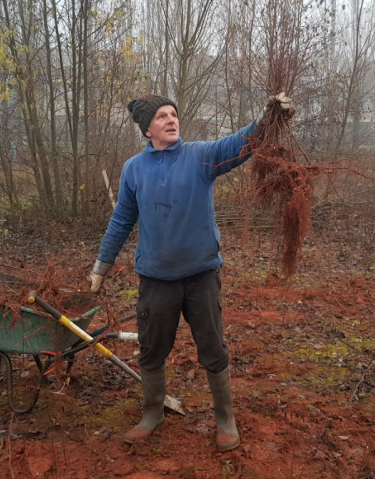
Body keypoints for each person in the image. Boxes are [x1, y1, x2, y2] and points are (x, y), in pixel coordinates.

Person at [89, 92, 295, 452]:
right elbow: (122, 219)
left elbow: (241, 144)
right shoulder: (134, 169)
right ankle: (152, 413)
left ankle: (225, 418)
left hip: (201, 275)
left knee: (213, 347)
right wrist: (101, 267)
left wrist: (270, 118)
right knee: (152, 349)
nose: (171, 120)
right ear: (147, 128)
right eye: (162, 116)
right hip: (155, 278)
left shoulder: (200, 156)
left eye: (174, 114)